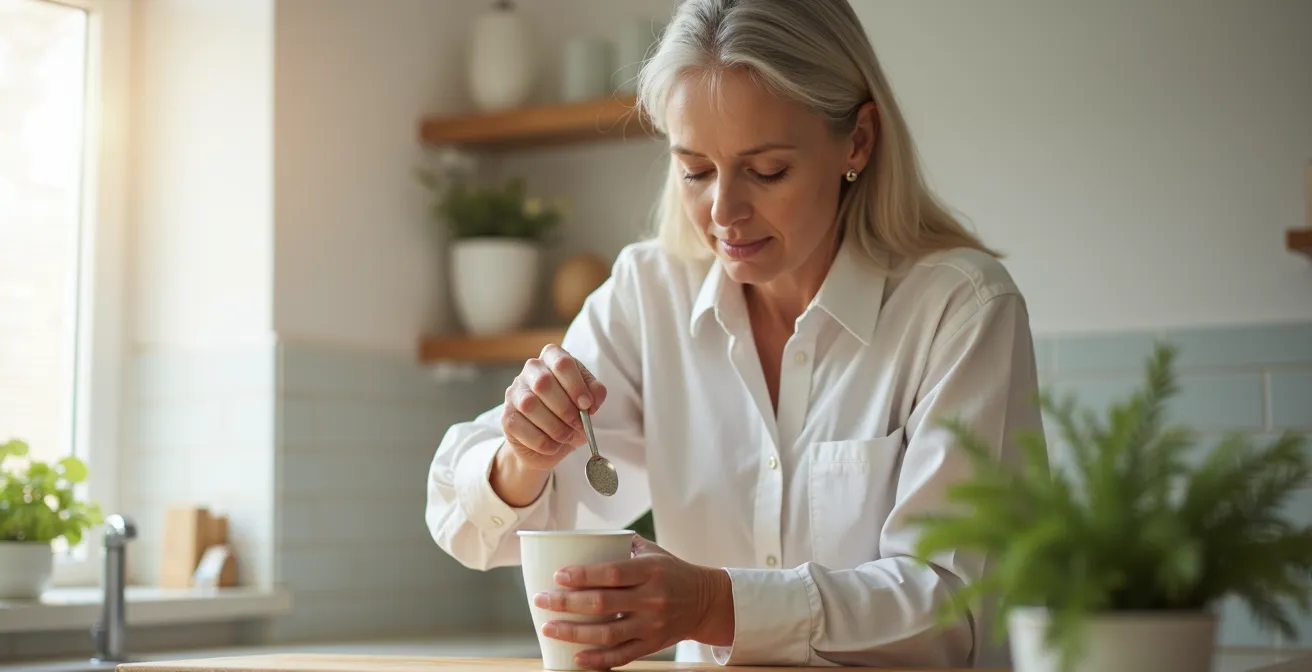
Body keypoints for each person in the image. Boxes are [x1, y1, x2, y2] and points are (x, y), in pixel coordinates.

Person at [426, 0, 1044, 668]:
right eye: (694, 169)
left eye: (767, 170)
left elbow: (954, 609)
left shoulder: (960, 309)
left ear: (858, 141)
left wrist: (712, 605)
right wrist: (524, 455)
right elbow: (465, 528)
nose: (723, 212)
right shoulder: (648, 294)